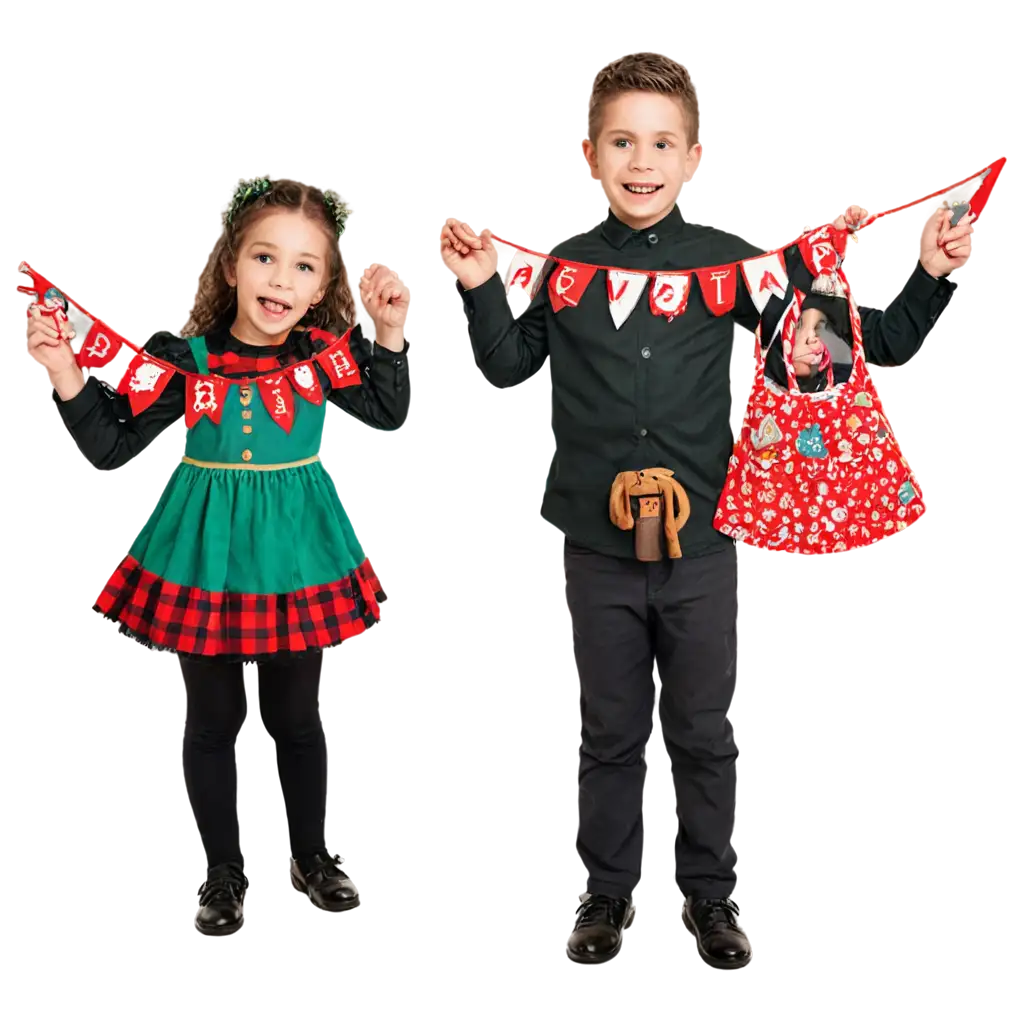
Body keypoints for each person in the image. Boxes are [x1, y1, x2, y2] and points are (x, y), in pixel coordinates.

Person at [439, 53, 975, 968]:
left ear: (692, 157)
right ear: (589, 154)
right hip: (594, 540)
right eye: (621, 141)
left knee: (706, 730)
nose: (640, 160)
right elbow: (509, 365)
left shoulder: (736, 263)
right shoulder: (566, 261)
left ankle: (712, 898)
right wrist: (484, 278)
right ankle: (606, 898)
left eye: (660, 143)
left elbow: (854, 345)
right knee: (608, 731)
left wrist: (924, 270)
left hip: (706, 537)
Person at [25, 178, 412, 935]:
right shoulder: (182, 358)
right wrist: (68, 376)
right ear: (232, 265)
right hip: (204, 553)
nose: (281, 279)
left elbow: (386, 407)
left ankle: (311, 853)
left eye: (304, 267)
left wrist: (390, 329)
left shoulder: (323, 353)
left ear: (323, 286)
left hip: (298, 551)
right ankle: (223, 870)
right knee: (213, 721)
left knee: (298, 718)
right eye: (266, 257)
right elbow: (108, 445)